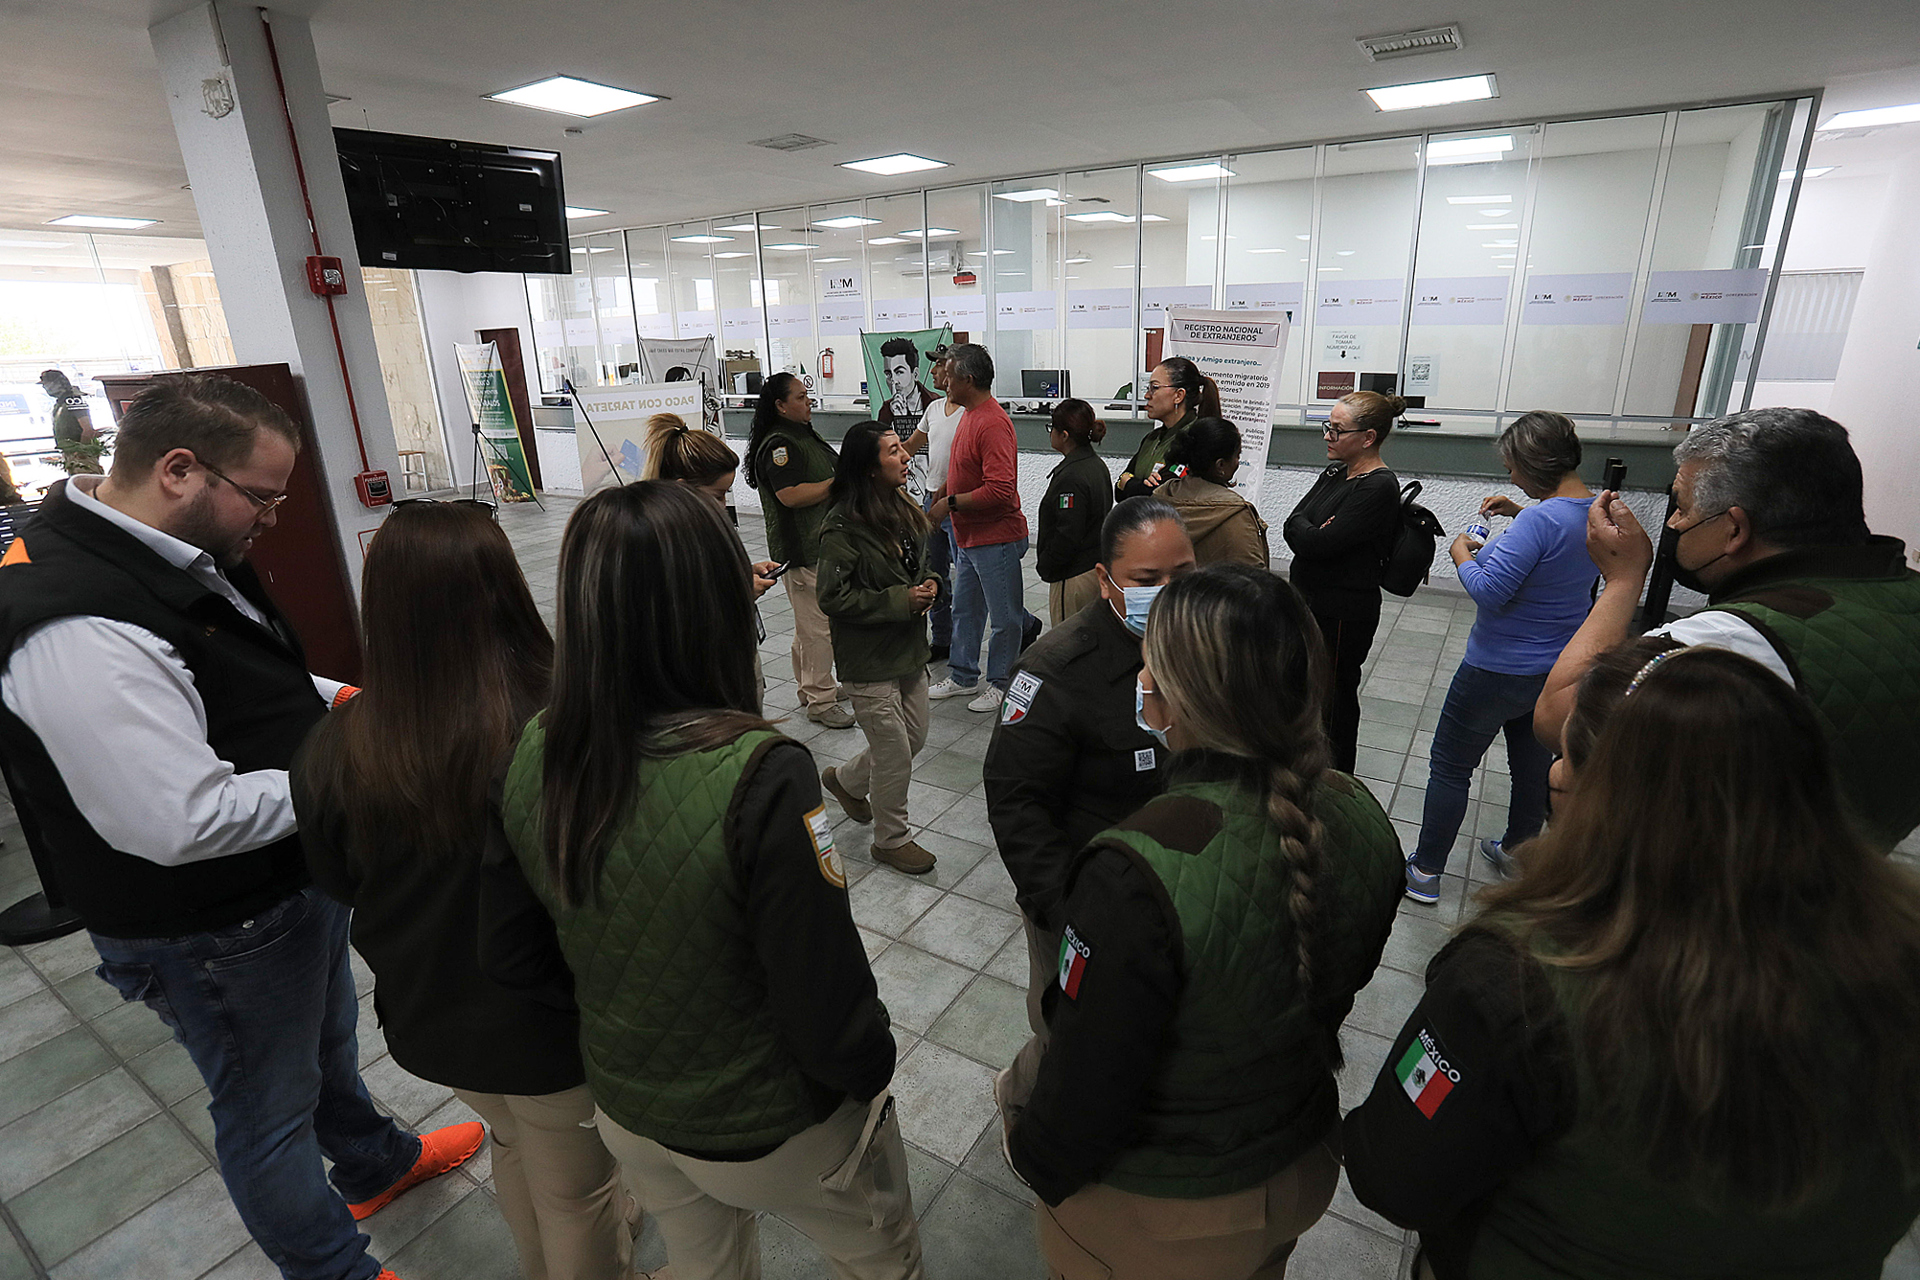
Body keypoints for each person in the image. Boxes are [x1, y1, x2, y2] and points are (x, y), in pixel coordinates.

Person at [0, 374, 477, 1280]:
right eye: (263, 497)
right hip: (210, 927)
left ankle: (375, 1161)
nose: (273, 518)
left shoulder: (172, 550)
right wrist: (365, 768)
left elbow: (243, 668)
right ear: (180, 469)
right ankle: (332, 1267)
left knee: (328, 1039)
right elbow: (180, 820)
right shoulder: (72, 619)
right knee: (267, 1110)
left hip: (284, 883)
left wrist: (353, 705)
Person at [1345, 647, 1920, 1279]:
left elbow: (1390, 1174)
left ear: (1603, 798)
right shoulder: (1898, 959)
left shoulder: (1518, 981)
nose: (1554, 775)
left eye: (1564, 758)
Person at [487, 481, 922, 1280]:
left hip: (630, 1110)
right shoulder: (763, 774)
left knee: (704, 1266)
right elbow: (821, 987)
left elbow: (526, 948)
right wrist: (869, 1077)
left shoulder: (539, 745)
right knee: (880, 1256)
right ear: (714, 606)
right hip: (771, 1126)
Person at [1000, 564, 1404, 1280]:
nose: (1140, 680)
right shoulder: (1359, 813)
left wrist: (1032, 1156)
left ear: (1179, 702)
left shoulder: (1133, 873)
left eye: (1150, 670)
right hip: (1299, 1159)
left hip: (1167, 1215)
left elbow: (1088, 1083)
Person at [292, 502, 632, 1280]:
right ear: (504, 586)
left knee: (516, 1145)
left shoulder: (338, 743)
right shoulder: (561, 720)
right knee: (580, 1189)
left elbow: (336, 880)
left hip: (433, 1017)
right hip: (553, 1022)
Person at [1535, 406, 1920, 852]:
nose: (1675, 523)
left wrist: (1622, 581)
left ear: (1734, 529)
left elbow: (1558, 718)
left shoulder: (1725, 644)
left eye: (1681, 506)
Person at [985, 498, 1196, 1036]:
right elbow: (1017, 805)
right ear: (1106, 580)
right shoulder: (1057, 670)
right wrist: (1073, 917)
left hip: (1179, 897)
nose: (1169, 593)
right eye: (1148, 579)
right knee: (1070, 1036)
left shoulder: (1203, 642)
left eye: (1185, 575)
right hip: (1084, 902)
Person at [1405, 411, 1596, 904]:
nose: (1511, 476)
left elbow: (1491, 592)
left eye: (1514, 467)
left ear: (1534, 464)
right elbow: (1554, 552)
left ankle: (1425, 872)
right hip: (1553, 671)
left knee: (1450, 765)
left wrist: (1461, 553)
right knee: (1532, 765)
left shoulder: (1538, 519)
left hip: (1495, 669)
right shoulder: (1595, 511)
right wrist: (1518, 512)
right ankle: (1518, 851)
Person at [816, 421, 942, 876]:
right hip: (868, 660)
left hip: (907, 650)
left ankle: (847, 781)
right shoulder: (843, 526)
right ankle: (892, 839)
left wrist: (930, 584)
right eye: (893, 452)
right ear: (869, 468)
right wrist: (900, 601)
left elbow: (919, 563)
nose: (906, 456)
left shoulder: (901, 507)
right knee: (893, 753)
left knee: (914, 738)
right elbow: (831, 597)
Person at [1282, 390, 1404, 774]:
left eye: (1337, 430)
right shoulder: (1336, 473)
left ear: (1368, 437)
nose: (1327, 437)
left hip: (1342, 614)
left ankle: (1336, 781)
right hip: (1311, 602)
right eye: (1327, 427)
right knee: (1306, 693)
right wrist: (1311, 531)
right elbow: (1293, 523)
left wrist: (1312, 532)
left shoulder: (1378, 486)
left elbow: (1320, 543)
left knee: (1333, 700)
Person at [927, 343, 1040, 713]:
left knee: (1005, 618)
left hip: (996, 538)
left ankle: (1001, 683)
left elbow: (1000, 489)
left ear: (969, 380)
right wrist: (943, 492)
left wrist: (951, 503)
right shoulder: (967, 415)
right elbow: (960, 469)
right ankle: (962, 676)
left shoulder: (992, 422)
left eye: (950, 376)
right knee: (965, 610)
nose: (944, 381)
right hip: (970, 537)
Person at [744, 372, 853, 729]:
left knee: (809, 624)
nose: (809, 402)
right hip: (801, 548)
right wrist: (838, 483)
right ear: (780, 406)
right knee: (818, 627)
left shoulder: (801, 434)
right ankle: (821, 701)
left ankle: (812, 688)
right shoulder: (781, 445)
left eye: (808, 396)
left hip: (820, 544)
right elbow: (789, 495)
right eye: (801, 397)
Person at [643, 411, 778, 597]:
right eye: (717, 496)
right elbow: (677, 604)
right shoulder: (660, 540)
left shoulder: (695, 530)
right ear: (683, 490)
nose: (723, 505)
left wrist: (743, 574)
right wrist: (737, 593)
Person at [900, 346, 962, 659]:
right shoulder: (934, 409)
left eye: (938, 366)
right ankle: (942, 640)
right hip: (930, 498)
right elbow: (911, 445)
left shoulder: (970, 412)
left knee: (970, 579)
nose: (933, 372)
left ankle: (1023, 623)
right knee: (933, 573)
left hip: (957, 504)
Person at [1034, 398, 1113, 624]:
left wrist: (1047, 565)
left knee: (1069, 644)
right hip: (1091, 569)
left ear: (1065, 436)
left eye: (1052, 428)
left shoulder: (1072, 476)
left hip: (1073, 577)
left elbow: (1067, 534)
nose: (1051, 434)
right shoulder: (1095, 464)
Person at [1158, 416, 1269, 569]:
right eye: (1237, 455)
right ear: (1220, 465)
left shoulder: (1161, 496)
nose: (1238, 462)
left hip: (1169, 592)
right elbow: (1253, 577)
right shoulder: (1236, 513)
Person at [1114, 356, 1219, 499]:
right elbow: (1119, 491)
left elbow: (1158, 494)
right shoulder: (1152, 438)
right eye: (1148, 388)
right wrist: (1129, 483)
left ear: (1179, 395)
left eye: (1154, 388)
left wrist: (1129, 482)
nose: (1147, 395)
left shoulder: (1196, 440)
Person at [41, 367, 103, 474]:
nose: (44, 387)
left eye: (47, 383)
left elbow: (88, 430)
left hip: (81, 456)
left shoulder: (74, 400)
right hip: (72, 454)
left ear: (57, 383)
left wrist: (81, 453)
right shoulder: (61, 402)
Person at [876, 337, 938, 432]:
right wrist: (897, 421)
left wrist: (904, 420)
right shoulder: (886, 410)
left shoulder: (936, 403)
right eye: (888, 374)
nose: (894, 381)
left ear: (915, 374)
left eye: (899, 372)